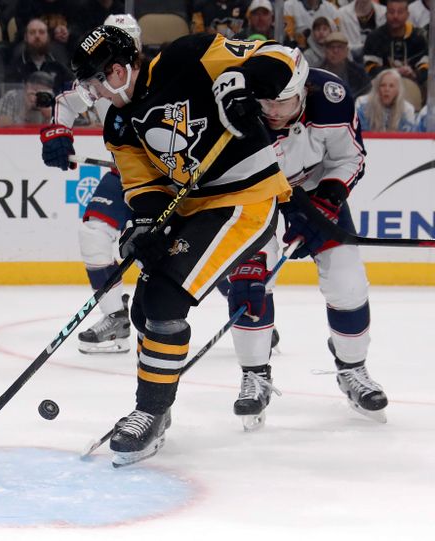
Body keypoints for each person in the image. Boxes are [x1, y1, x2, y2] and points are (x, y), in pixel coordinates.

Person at [70, 25, 295, 466]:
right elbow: (144, 186)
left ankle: (150, 412)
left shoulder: (186, 57)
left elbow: (280, 55)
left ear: (117, 71)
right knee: (145, 309)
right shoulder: (118, 124)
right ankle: (157, 404)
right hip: (194, 207)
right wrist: (146, 226)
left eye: (94, 81)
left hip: (244, 201)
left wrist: (244, 87)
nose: (92, 92)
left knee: (165, 299)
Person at [226, 49, 389, 430]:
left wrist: (327, 202)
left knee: (347, 282)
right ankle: (255, 374)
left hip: (315, 192)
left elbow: (350, 159)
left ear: (304, 89)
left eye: (284, 102)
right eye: (267, 101)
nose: (275, 111)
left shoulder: (330, 97)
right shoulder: (235, 106)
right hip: (255, 200)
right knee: (250, 282)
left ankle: (353, 369)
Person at [39, 13, 141, 354]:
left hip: (168, 182)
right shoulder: (103, 72)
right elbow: (68, 102)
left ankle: (244, 306)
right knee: (94, 234)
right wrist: (58, 133)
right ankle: (116, 318)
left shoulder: (159, 78)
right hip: (124, 174)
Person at [362, 0, 429, 86]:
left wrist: (414, 74)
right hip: (382, 85)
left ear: (407, 14)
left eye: (400, 12)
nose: (395, 16)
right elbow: (370, 68)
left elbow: (426, 66)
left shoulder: (418, 37)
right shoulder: (374, 37)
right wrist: (394, 72)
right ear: (386, 14)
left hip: (413, 84)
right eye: (391, 12)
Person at [7, 17, 75, 93]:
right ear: (25, 37)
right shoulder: (17, 66)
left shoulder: (58, 65)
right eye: (32, 32)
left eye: (41, 32)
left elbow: (73, 89)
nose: (37, 36)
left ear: (48, 37)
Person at [320, 31, 371, 97]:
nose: (335, 51)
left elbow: (365, 96)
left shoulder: (359, 73)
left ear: (346, 51)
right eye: (331, 47)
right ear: (325, 51)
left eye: (340, 47)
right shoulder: (318, 73)